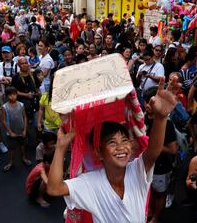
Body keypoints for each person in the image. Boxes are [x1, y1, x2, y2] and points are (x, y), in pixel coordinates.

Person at [47, 76, 180, 223]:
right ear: (99, 153)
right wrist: (60, 148)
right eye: (112, 142)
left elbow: (153, 152)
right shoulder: (90, 183)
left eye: (124, 140)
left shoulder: (136, 171)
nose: (121, 147)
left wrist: (161, 118)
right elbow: (54, 188)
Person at [144, 86, 178, 223]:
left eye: (151, 102)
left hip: (160, 167)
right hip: (145, 166)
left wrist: (150, 146)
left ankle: (156, 217)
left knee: (159, 193)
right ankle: (150, 210)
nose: (148, 105)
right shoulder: (142, 118)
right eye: (146, 101)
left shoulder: (167, 125)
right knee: (148, 190)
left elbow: (172, 149)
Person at [2, 86, 31, 172]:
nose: (13, 96)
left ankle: (24, 158)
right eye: (10, 95)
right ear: (7, 96)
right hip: (11, 131)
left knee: (22, 145)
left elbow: (25, 117)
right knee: (12, 148)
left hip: (21, 130)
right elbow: (3, 121)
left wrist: (25, 129)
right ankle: (11, 162)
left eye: (14, 94)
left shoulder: (21, 104)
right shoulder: (4, 107)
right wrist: (10, 132)